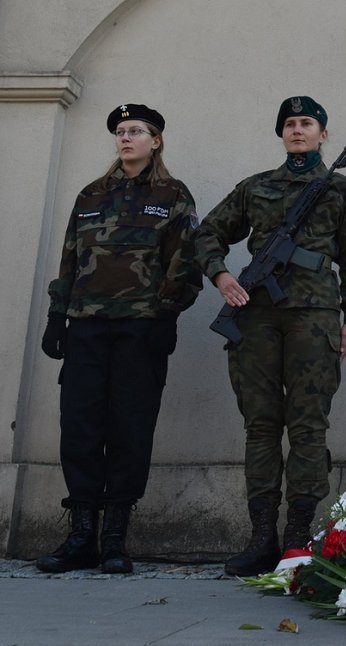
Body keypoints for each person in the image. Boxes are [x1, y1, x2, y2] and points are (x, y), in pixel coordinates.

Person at [195, 96, 346, 576]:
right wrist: (221, 276)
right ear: (282, 134)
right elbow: (207, 233)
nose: (298, 130)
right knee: (261, 425)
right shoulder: (256, 187)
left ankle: (297, 536)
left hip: (314, 316)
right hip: (255, 316)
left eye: (307, 123)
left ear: (322, 135)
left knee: (309, 426)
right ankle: (260, 538)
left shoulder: (338, 187)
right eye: (290, 124)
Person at [37, 104, 202, 574]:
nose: (126, 138)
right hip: (86, 326)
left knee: (129, 430)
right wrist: (56, 315)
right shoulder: (91, 194)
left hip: (140, 329)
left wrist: (168, 314)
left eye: (137, 131)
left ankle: (114, 539)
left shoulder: (172, 195)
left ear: (156, 141)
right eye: (121, 131)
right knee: (81, 428)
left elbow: (184, 261)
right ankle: (80, 536)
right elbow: (69, 257)